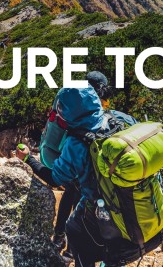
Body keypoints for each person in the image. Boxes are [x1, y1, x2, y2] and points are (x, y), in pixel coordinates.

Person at [17, 85, 140, 266]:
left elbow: (54, 178)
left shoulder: (77, 143)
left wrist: (28, 158)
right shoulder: (119, 117)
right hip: (136, 200)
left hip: (104, 209)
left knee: (74, 230)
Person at [52, 71, 113, 254]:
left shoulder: (75, 97)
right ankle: (72, 248)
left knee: (69, 195)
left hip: (70, 154)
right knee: (80, 203)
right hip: (85, 160)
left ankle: (59, 235)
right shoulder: (98, 105)